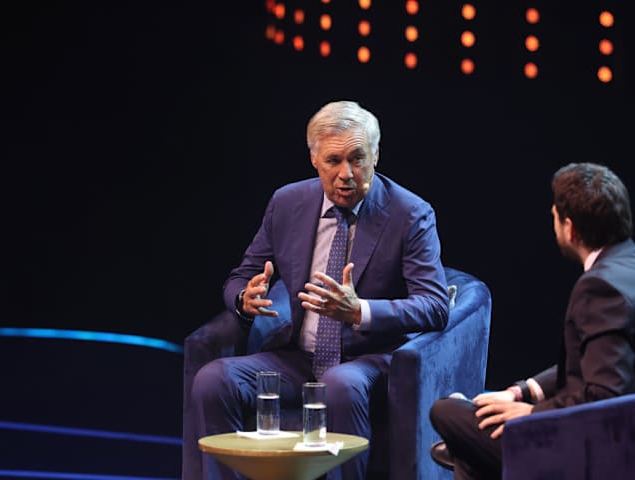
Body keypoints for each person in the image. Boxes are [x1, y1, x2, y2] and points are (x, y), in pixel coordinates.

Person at [185, 100, 450, 480]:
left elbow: (435, 305)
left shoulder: (411, 213)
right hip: (298, 355)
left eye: (358, 158)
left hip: (368, 359)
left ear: (376, 155)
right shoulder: (288, 202)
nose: (346, 173)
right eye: (333, 160)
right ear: (314, 160)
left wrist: (360, 311)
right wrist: (245, 298)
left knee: (339, 385)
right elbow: (240, 276)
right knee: (213, 380)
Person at [429, 162, 635, 479]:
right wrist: (520, 392)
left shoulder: (600, 287)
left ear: (569, 227)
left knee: (447, 412)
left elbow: (606, 396)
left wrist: (531, 415)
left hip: (601, 447)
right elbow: (598, 363)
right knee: (472, 441)